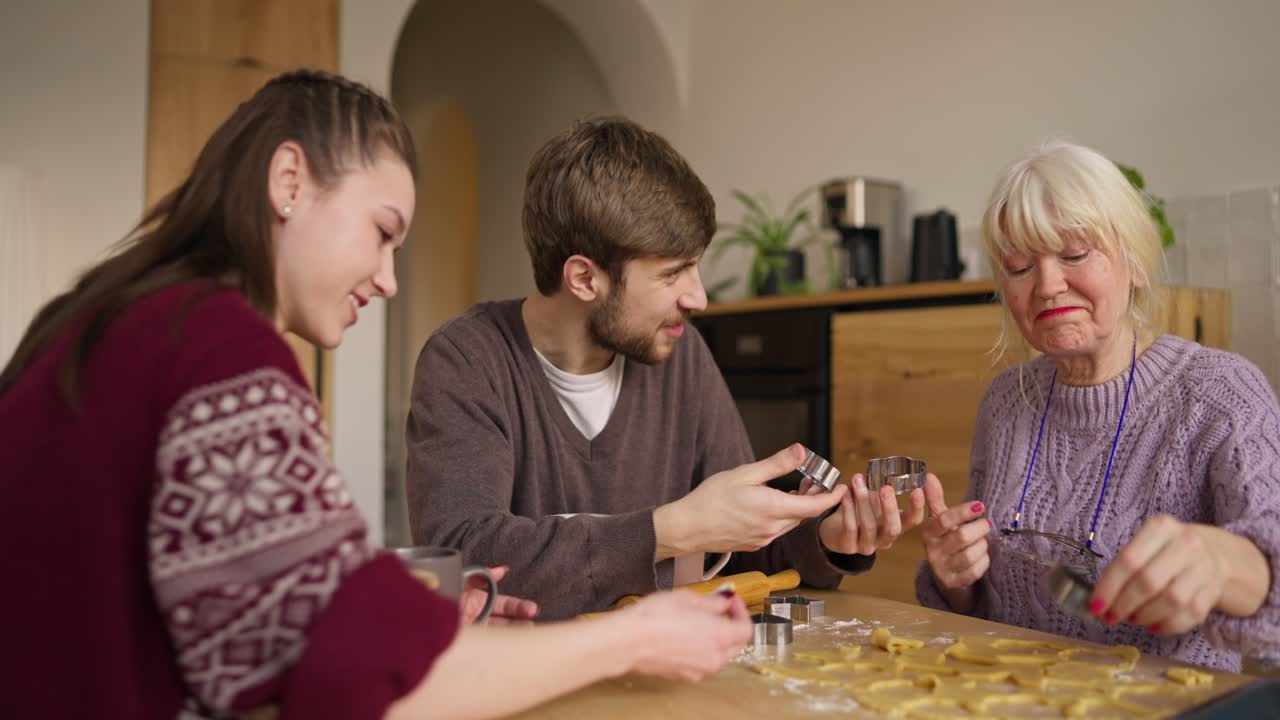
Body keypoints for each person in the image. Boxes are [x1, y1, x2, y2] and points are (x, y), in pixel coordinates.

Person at [0, 70, 753, 720]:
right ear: (289, 183)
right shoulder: (222, 351)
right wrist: (638, 636)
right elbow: (353, 685)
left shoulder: (110, 317)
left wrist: (393, 600)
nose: (390, 279)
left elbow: (231, 594)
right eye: (382, 231)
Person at [406, 116, 925, 620]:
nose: (698, 296)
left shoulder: (682, 355)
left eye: (695, 266)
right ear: (585, 278)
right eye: (673, 272)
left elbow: (741, 553)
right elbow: (467, 559)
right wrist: (671, 529)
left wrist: (827, 538)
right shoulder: (466, 361)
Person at [915, 140, 1280, 672]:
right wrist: (958, 581)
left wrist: (1222, 564)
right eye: (1018, 266)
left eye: (1075, 254)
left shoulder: (1220, 394)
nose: (1046, 285)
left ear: (1134, 264)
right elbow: (992, 605)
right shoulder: (1005, 402)